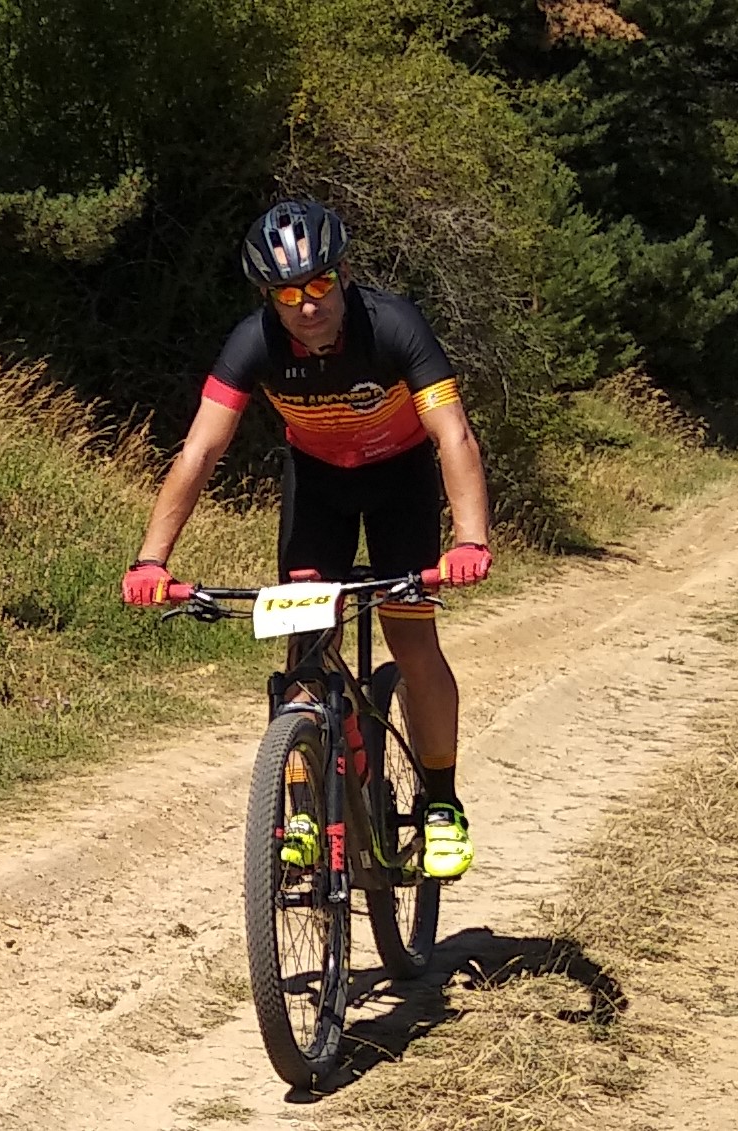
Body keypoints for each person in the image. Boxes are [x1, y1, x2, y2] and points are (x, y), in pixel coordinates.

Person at [120, 200, 491, 879]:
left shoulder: (394, 325)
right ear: (269, 297)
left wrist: (470, 540)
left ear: (343, 275)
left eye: (319, 284)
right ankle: (301, 812)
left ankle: (441, 804)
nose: (307, 305)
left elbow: (453, 435)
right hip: (318, 485)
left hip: (400, 481)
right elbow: (201, 450)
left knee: (411, 639)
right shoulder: (253, 343)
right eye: (288, 294)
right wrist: (152, 560)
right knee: (305, 650)